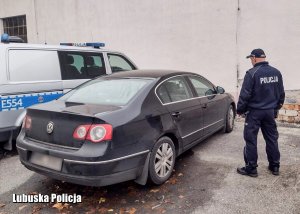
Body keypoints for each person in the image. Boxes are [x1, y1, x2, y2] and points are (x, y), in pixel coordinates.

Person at [237, 48, 285, 177]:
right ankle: (275, 166)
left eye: (251, 59)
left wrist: (240, 110)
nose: (251, 62)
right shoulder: (276, 72)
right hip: (269, 112)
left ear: (254, 58)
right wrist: (275, 109)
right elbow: (281, 94)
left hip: (254, 113)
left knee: (251, 140)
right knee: (272, 139)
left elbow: (245, 95)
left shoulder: (252, 73)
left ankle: (251, 168)